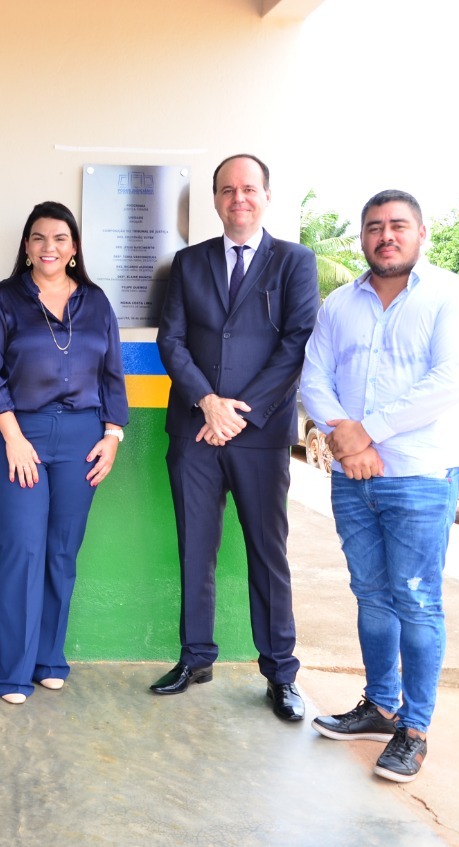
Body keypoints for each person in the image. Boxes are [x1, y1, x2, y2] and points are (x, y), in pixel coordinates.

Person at [301, 190, 459, 782]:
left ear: (421, 232)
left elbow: (449, 380)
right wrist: (347, 438)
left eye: (398, 226)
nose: (386, 236)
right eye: (375, 227)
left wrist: (365, 434)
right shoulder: (339, 304)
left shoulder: (453, 296)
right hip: (354, 478)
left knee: (417, 599)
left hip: (421, 474)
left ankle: (414, 728)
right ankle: (380, 705)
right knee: (371, 594)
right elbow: (314, 378)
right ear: (362, 237)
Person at [154, 154, 319, 721]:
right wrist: (207, 402)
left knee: (267, 554)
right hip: (195, 429)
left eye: (249, 189)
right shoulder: (189, 262)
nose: (239, 198)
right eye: (228, 190)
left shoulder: (295, 261)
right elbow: (171, 340)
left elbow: (296, 343)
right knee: (195, 550)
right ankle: (195, 656)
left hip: (260, 434)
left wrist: (239, 414)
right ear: (216, 200)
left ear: (266, 196)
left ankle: (280, 673)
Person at [0, 201, 128, 704]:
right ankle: (12, 673)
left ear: (75, 247)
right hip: (17, 434)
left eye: (60, 238)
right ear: (26, 246)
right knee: (23, 547)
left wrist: (112, 436)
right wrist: (14, 438)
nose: (49, 247)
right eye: (39, 238)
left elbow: (112, 376)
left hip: (83, 439)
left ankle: (49, 659)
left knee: (62, 551)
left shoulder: (96, 302)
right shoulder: (3, 299)